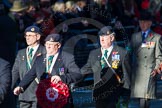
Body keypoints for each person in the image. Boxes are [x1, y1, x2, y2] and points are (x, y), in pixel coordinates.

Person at [13, 33, 83, 108]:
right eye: (46, 44)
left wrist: (61, 78)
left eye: (51, 44)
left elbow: (77, 74)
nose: (48, 46)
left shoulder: (66, 57)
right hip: (43, 100)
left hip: (61, 99)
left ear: (58, 45)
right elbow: (30, 74)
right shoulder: (40, 58)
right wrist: (21, 86)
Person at [81, 26, 131, 108]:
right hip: (99, 95)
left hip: (115, 95)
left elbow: (127, 76)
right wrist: (69, 78)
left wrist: (125, 95)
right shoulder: (94, 53)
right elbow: (84, 70)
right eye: (100, 37)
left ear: (112, 38)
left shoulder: (122, 52)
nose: (102, 39)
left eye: (104, 36)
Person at [129, 10, 162, 108]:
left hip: (149, 72)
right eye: (140, 22)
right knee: (140, 100)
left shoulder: (157, 37)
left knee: (145, 100)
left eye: (144, 22)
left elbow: (159, 56)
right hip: (137, 72)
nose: (142, 24)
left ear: (150, 23)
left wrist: (156, 68)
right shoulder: (134, 37)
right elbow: (128, 52)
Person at [12, 25, 46, 108]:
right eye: (26, 35)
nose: (27, 38)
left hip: (39, 93)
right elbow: (15, 72)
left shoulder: (45, 51)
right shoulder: (21, 53)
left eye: (30, 35)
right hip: (24, 93)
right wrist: (8, 87)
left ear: (38, 36)